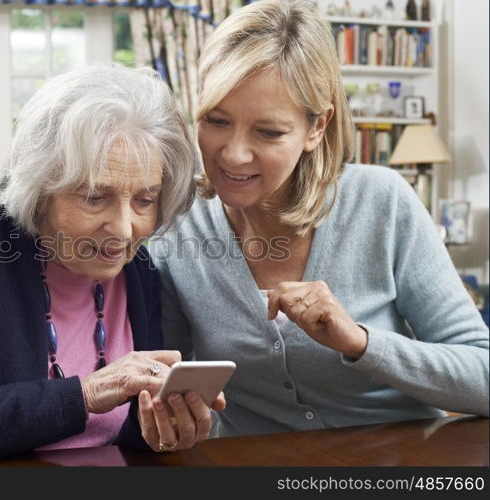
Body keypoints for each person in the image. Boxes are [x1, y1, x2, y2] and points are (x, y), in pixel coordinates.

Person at [149, 0, 489, 439]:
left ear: (316, 127)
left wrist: (360, 342)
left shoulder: (382, 202)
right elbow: (173, 380)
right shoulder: (177, 225)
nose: (233, 154)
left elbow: (483, 374)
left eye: (268, 132)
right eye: (216, 120)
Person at [0, 63, 223, 465]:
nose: (122, 229)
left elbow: (125, 438)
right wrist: (84, 395)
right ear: (41, 187)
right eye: (94, 197)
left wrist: (164, 431)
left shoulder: (138, 269)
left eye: (144, 200)